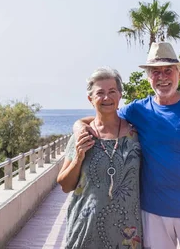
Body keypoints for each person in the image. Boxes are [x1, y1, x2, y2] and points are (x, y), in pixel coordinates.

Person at [74, 42, 180, 249]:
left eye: (168, 71)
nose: (162, 77)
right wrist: (78, 125)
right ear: (149, 77)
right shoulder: (137, 111)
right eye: (155, 72)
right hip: (152, 214)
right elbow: (105, 118)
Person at [58, 67, 143, 249]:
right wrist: (78, 158)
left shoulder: (136, 135)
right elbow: (65, 185)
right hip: (86, 230)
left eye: (112, 91)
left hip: (127, 233)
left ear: (120, 95)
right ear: (91, 99)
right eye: (100, 93)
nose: (107, 98)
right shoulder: (82, 136)